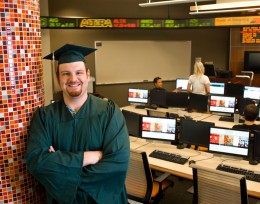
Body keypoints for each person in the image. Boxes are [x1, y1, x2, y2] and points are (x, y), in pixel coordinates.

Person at [25, 44, 130, 204]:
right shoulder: (45, 116)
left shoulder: (109, 111)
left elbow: (118, 162)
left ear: (88, 75)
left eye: (79, 72)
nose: (73, 79)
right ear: (58, 78)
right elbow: (37, 163)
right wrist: (91, 156)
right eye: (65, 73)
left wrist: (58, 165)